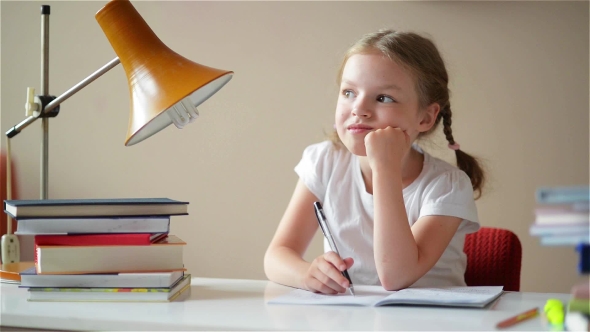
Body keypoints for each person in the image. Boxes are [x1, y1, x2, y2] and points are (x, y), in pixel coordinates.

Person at [264, 29, 485, 294]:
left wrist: (385, 168)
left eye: (383, 98)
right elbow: (277, 255)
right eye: (349, 92)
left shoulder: (448, 185)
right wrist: (307, 274)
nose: (359, 108)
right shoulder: (325, 161)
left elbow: (396, 277)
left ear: (425, 118)